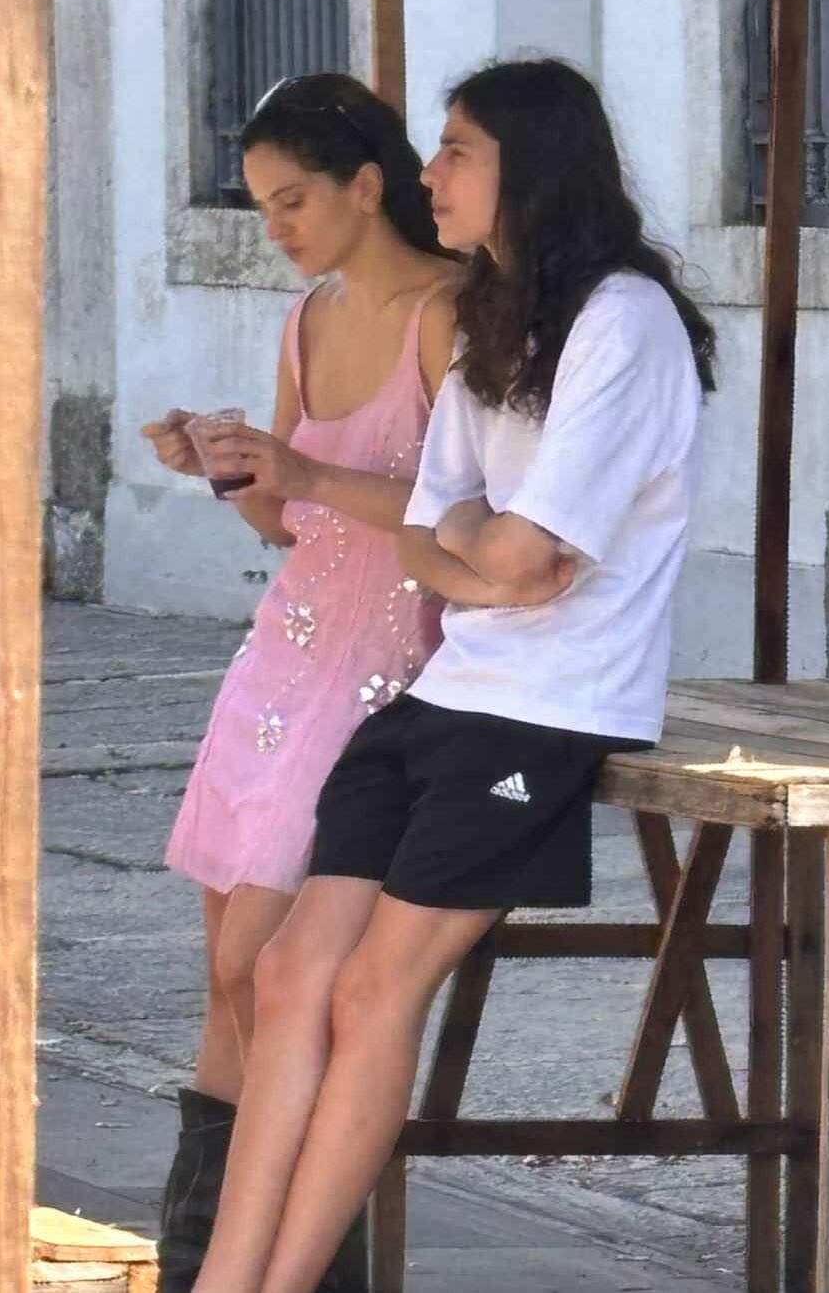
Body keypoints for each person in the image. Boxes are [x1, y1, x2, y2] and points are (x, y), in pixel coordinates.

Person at [190, 58, 718, 1293]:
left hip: (546, 706)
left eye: (455, 150)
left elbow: (531, 560)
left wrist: (477, 545)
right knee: (283, 972)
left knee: (376, 986)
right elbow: (435, 534)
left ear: (527, 163)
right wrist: (476, 546)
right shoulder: (494, 313)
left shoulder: (622, 319)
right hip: (449, 693)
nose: (430, 174)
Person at [142, 72, 551, 1293]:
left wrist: (301, 477)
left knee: (281, 974)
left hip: (389, 666)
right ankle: (203, 1250)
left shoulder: (453, 313)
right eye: (262, 205)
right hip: (282, 648)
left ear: (366, 185)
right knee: (227, 972)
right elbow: (284, 521)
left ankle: (287, 1259)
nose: (277, 225)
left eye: (293, 199)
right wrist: (227, 466)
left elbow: (464, 514)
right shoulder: (307, 317)